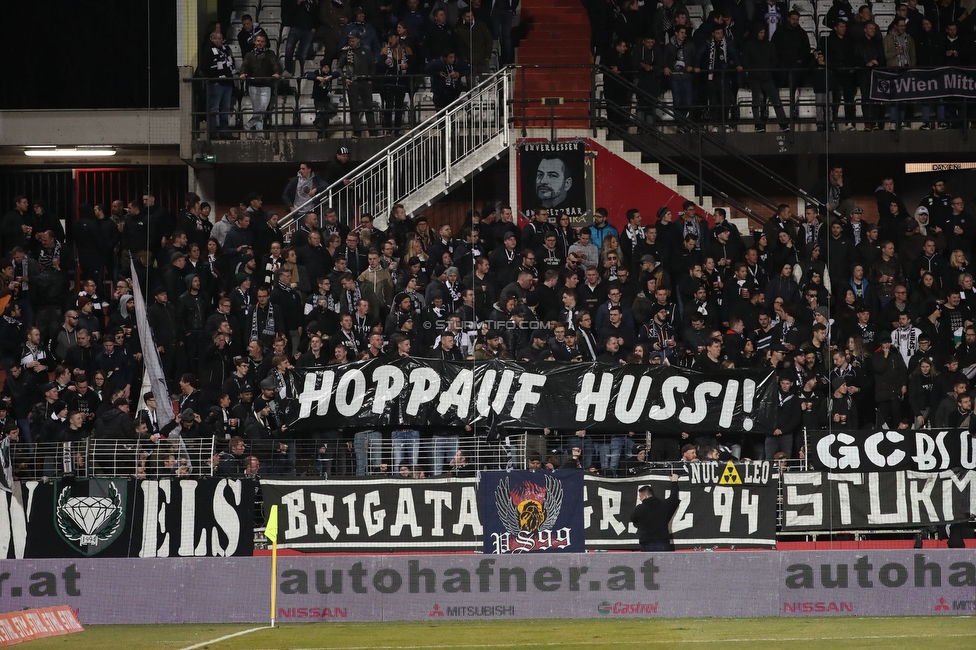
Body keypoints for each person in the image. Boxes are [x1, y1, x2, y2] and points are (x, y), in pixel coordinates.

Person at [238, 32, 283, 137]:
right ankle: (260, 134)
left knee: (261, 110)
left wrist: (277, 72)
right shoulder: (249, 55)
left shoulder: (270, 53)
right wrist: (242, 73)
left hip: (266, 86)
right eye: (258, 41)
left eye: (262, 41)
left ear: (265, 43)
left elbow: (275, 64)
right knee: (257, 110)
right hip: (253, 85)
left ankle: (249, 124)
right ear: (255, 42)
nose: (260, 43)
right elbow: (244, 66)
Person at [629, 475, 681, 551]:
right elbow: (674, 498)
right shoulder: (664, 504)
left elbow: (633, 518)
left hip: (646, 543)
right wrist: (674, 482)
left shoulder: (640, 508)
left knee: (648, 563)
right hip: (663, 542)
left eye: (640, 496)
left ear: (645, 496)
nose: (640, 499)